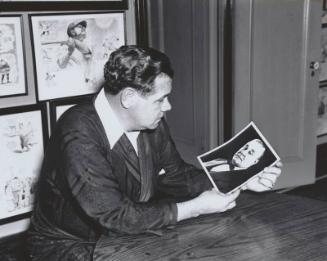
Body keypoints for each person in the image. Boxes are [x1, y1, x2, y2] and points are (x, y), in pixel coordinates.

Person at [26, 45, 282, 260]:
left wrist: (241, 178)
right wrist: (195, 208)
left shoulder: (150, 122)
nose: (168, 106)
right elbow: (114, 214)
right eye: (161, 99)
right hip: (66, 244)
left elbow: (178, 177)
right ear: (128, 98)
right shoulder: (78, 132)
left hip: (127, 232)